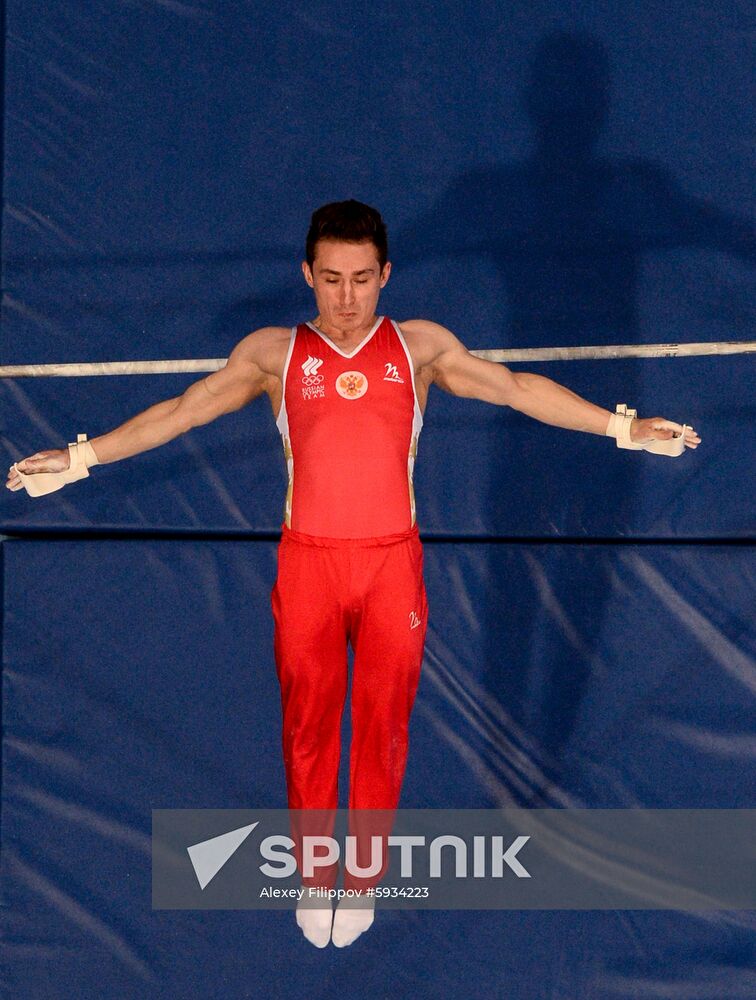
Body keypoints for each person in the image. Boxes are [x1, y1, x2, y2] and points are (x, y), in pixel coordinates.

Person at [5, 200, 700, 948]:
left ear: (385, 276)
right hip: (308, 563)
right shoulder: (275, 356)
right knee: (308, 726)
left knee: (381, 727)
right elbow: (182, 411)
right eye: (331, 279)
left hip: (390, 564)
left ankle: (361, 877)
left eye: (362, 280)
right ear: (307, 274)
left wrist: (624, 428)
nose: (345, 300)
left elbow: (514, 387)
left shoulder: (420, 349)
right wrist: (79, 459)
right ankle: (312, 873)